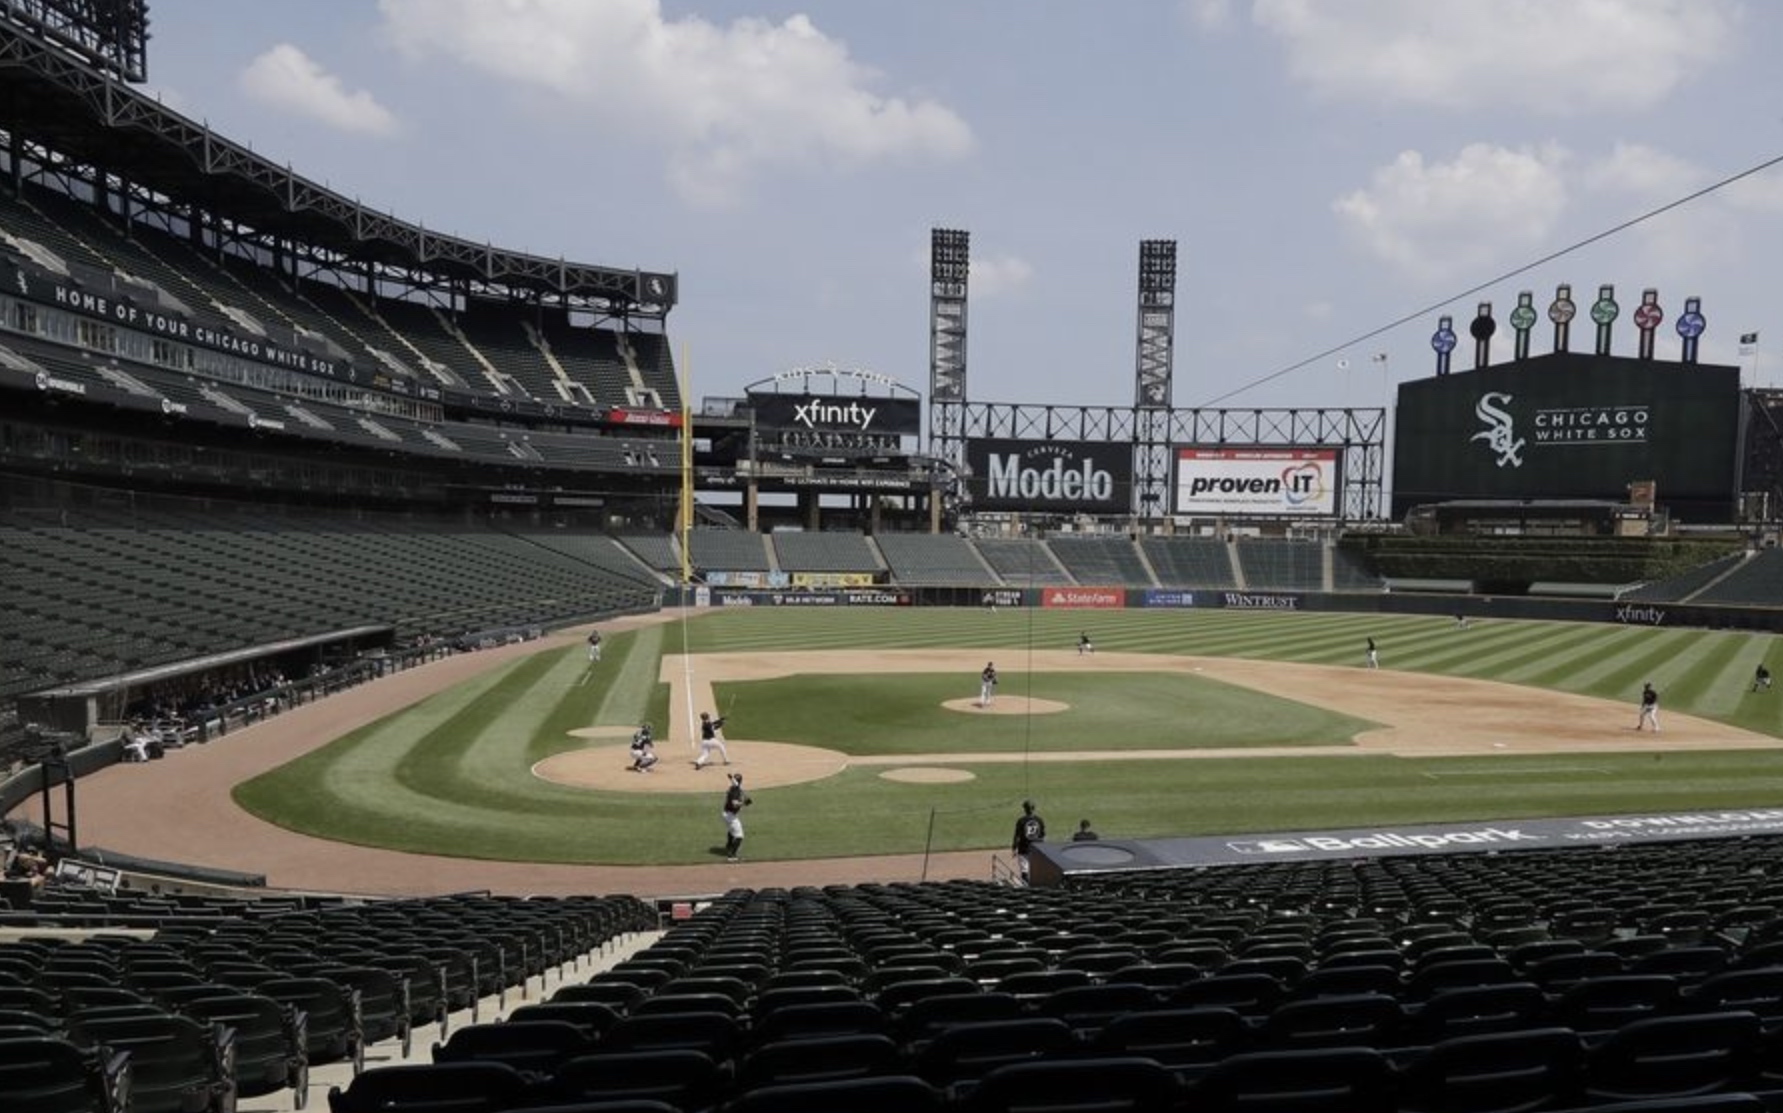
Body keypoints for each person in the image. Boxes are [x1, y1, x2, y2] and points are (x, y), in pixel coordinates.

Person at [1011, 800, 1045, 884]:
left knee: (1024, 871)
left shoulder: (1021, 821)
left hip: (1024, 848)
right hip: (1036, 849)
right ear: (1034, 808)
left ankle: (1025, 887)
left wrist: (1014, 848)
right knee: (1036, 870)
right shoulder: (1039, 820)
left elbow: (1017, 836)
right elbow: (1042, 835)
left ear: (1025, 809)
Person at [721, 772, 752, 861]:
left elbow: (734, 783)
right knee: (739, 836)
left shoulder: (733, 787)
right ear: (741, 781)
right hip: (730, 816)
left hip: (726, 814)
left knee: (731, 831)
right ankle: (732, 856)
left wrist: (731, 778)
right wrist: (744, 803)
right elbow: (734, 804)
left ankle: (729, 846)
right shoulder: (736, 790)